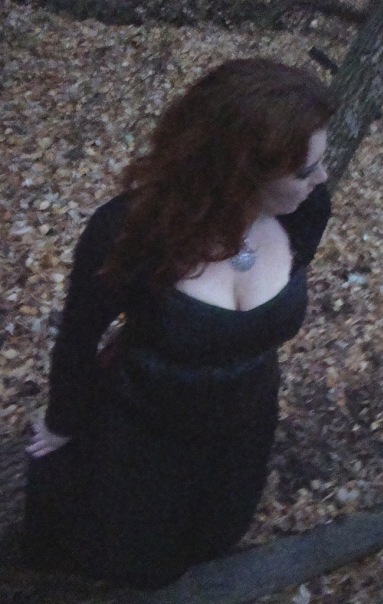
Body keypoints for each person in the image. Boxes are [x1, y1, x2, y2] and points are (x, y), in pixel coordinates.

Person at [24, 58, 335, 588]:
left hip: (244, 423)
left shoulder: (305, 211)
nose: (322, 179)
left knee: (213, 533)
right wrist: (61, 423)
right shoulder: (130, 229)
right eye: (305, 171)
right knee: (133, 555)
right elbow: (78, 335)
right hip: (144, 430)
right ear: (241, 170)